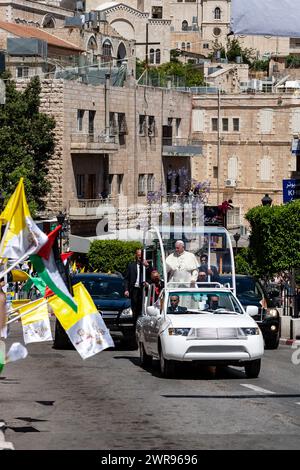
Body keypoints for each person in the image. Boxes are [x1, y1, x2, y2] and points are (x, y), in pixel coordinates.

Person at [124, 249, 150, 319]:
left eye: (141, 256)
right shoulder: (131, 265)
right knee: (134, 307)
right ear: (136, 256)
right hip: (134, 289)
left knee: (142, 307)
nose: (140, 257)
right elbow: (126, 278)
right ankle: (134, 322)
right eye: (138, 255)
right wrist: (126, 290)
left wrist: (147, 266)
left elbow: (151, 275)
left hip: (143, 289)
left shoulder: (146, 266)